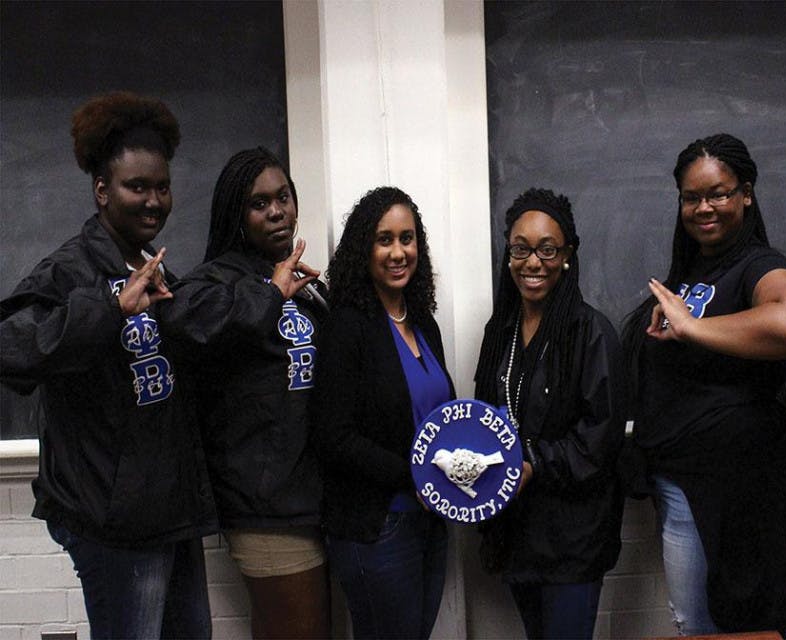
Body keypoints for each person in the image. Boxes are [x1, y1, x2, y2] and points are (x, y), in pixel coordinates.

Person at [0, 92, 217, 638]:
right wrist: (108, 308)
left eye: (161, 186)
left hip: (171, 516)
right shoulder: (68, 272)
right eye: (136, 186)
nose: (153, 201)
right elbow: (11, 348)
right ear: (102, 191)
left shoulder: (155, 268)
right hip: (113, 526)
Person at [622, 134, 786, 637]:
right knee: (695, 623)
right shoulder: (690, 272)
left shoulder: (760, 263)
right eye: (691, 197)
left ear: (746, 193)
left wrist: (693, 328)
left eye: (719, 193)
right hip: (683, 479)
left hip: (736, 487)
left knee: (733, 624)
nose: (703, 207)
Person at [159, 147, 330, 638]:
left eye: (284, 197)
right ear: (237, 214)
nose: (277, 211)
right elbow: (184, 323)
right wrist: (271, 293)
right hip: (266, 508)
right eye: (259, 203)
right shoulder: (219, 281)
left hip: (308, 500)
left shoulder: (291, 277)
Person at [474, 187, 626, 640]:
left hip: (572, 540)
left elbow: (599, 439)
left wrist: (534, 464)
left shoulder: (591, 332)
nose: (532, 262)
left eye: (546, 249)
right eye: (520, 249)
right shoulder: (499, 330)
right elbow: (485, 415)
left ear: (566, 256)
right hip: (518, 532)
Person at [311, 186, 454, 640]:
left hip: (431, 518)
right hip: (376, 524)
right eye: (384, 239)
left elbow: (440, 419)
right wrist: (415, 475)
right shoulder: (346, 326)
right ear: (364, 249)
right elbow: (333, 437)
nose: (398, 252)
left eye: (407, 239)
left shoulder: (424, 322)